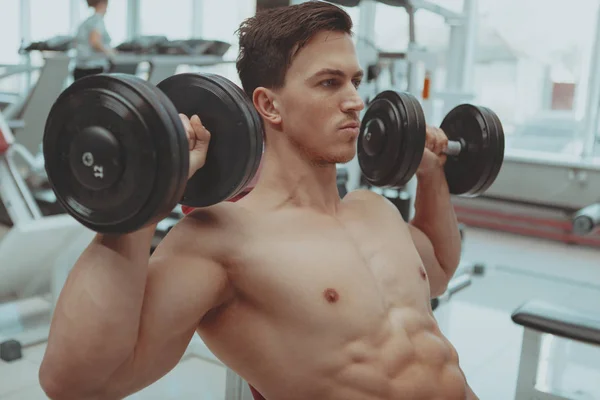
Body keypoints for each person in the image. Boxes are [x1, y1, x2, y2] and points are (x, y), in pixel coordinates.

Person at [39, 2, 478, 399]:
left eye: (355, 81)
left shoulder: (374, 209)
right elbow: (77, 383)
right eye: (329, 83)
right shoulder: (222, 239)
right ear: (269, 105)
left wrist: (431, 174)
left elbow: (438, 268)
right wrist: (145, 189)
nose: (356, 102)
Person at [72, 0, 116, 81]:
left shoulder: (85, 22)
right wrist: (109, 52)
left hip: (80, 68)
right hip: (93, 69)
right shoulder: (97, 20)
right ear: (102, 3)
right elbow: (95, 42)